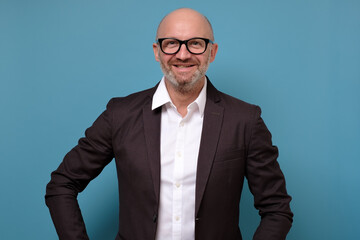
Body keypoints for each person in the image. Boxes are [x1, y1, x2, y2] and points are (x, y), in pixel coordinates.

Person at [45, 8, 293, 240]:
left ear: (212, 52)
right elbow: (62, 184)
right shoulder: (120, 114)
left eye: (195, 43)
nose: (183, 54)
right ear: (157, 51)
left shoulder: (245, 120)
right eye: (171, 43)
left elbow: (277, 209)